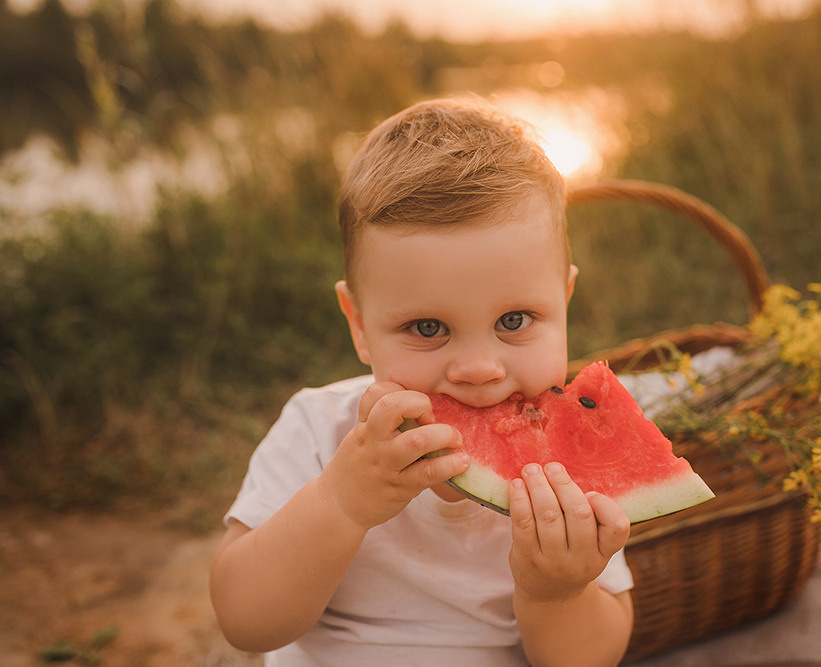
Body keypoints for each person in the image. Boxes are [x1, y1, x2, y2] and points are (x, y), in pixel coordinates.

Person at [210, 97, 635, 666]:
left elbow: (589, 659)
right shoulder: (317, 430)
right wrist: (341, 502)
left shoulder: (572, 466)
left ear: (565, 302)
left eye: (514, 321)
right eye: (428, 327)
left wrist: (554, 592)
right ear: (359, 325)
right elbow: (245, 620)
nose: (479, 368)